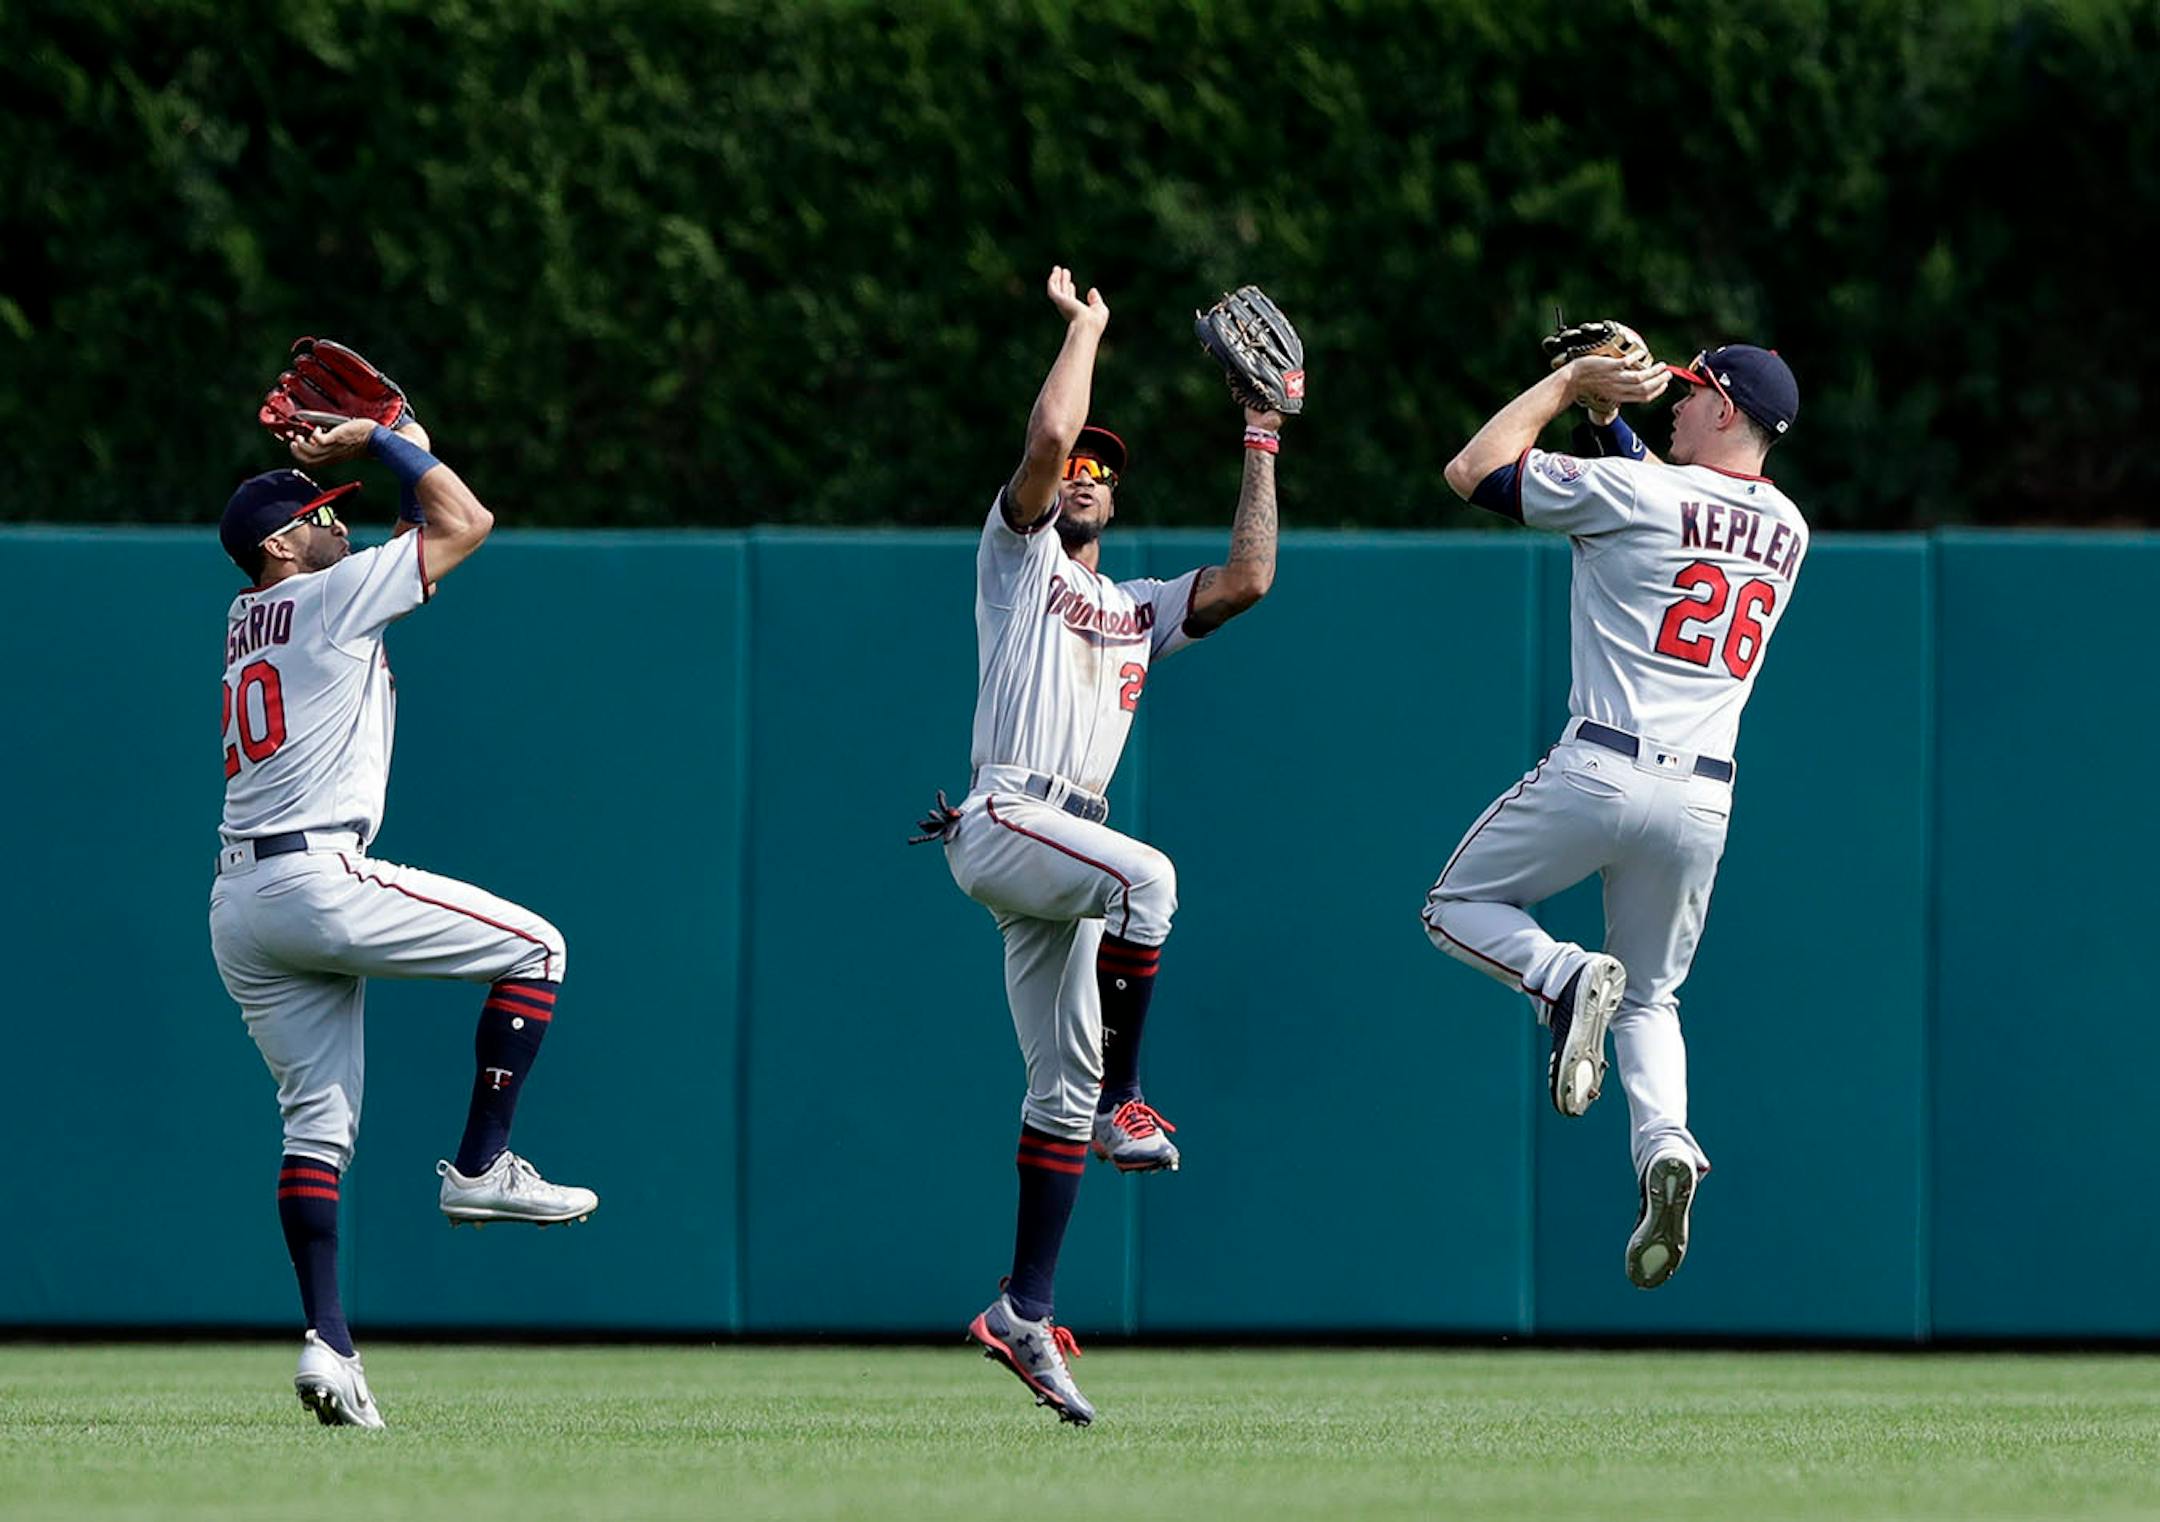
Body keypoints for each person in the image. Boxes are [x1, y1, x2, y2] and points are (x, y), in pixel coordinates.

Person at [919, 267, 1282, 1423]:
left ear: (1118, 505)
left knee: (1056, 1091)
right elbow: (1049, 428)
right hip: (1007, 814)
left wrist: (1262, 433)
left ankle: (1023, 1310)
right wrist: (1089, 327)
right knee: (1153, 874)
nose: (1083, 474)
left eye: (1103, 475)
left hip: (1056, 852)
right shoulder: (1017, 564)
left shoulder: (1135, 606)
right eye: (1079, 468)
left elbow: (1251, 578)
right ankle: (1137, 1092)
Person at [209, 411, 598, 1429]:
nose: (339, 525)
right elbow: (466, 517)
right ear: (282, 546)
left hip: (241, 905)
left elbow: (412, 523)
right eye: (320, 516)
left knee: (316, 1128)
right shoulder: (329, 595)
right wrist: (384, 440)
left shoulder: (256, 613)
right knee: (539, 945)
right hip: (315, 875)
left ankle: (329, 1344)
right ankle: (480, 1166)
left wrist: (399, 429)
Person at [1424, 339, 1805, 1290]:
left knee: (1454, 906)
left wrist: (1569, 388)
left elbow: (1472, 471)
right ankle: (1664, 1145)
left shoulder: (1639, 495)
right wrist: (1610, 425)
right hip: (1702, 800)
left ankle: (1558, 978)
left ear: (1726, 411)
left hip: (1602, 765)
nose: (1674, 403)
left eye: (1691, 392)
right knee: (1651, 998)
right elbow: (1675, 505)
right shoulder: (1790, 527)